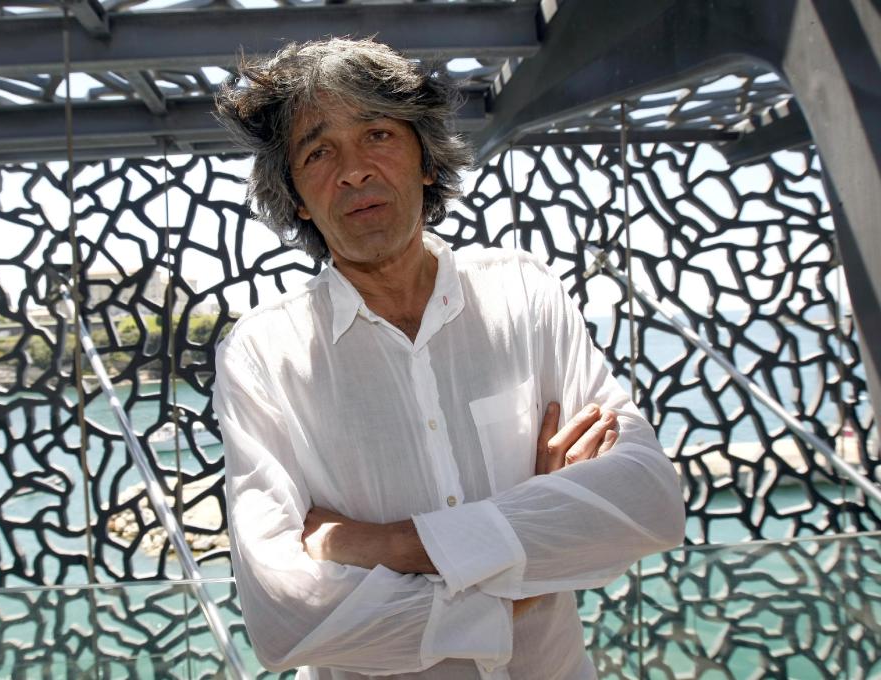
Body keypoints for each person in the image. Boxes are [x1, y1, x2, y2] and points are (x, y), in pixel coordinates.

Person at [212, 38, 684, 680]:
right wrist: (519, 577)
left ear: (426, 162)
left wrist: (381, 543)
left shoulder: (526, 292)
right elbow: (283, 617)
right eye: (318, 151)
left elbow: (649, 498)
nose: (353, 171)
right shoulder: (262, 355)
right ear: (296, 197)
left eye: (377, 133)